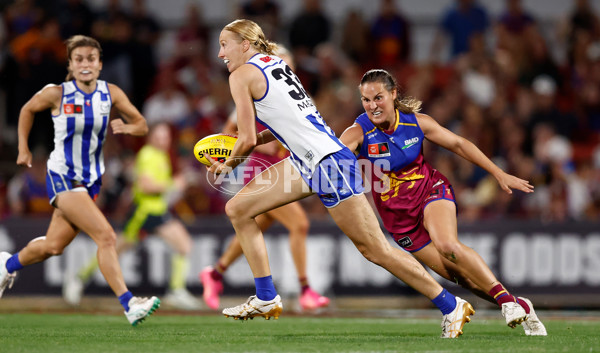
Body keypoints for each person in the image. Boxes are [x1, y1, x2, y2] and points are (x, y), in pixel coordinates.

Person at [208, 19, 473, 338]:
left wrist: (227, 165)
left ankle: (450, 304)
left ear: (245, 45)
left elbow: (246, 139)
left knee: (376, 250)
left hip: (326, 163)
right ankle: (266, 297)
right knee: (238, 209)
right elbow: (289, 123)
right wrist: (250, 142)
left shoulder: (241, 75)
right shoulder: (274, 62)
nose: (220, 52)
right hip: (310, 158)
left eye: (225, 44)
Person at [339, 68, 547, 336]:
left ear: (392, 94)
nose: (372, 106)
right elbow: (331, 155)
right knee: (461, 278)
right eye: (366, 100)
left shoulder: (416, 122)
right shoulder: (358, 132)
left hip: (430, 192)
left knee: (448, 246)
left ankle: (506, 303)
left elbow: (459, 144)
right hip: (399, 220)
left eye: (378, 98)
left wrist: (498, 173)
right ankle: (519, 304)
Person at [0, 35, 160, 326]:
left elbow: (142, 124)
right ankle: (129, 304)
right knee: (107, 236)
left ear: (100, 64)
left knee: (52, 246)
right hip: (62, 176)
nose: (85, 64)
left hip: (91, 182)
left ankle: (6, 265)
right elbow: (26, 110)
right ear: (71, 65)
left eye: (91, 59)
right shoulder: (57, 93)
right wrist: (23, 148)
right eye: (79, 59)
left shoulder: (110, 93)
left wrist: (126, 127)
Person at [200, 45, 330, 312]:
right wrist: (260, 145)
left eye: (288, 63)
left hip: (284, 168)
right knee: (299, 224)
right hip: (262, 170)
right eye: (282, 61)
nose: (285, 68)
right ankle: (305, 290)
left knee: (258, 223)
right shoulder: (255, 91)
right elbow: (229, 134)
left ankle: (215, 272)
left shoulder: (291, 95)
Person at [63, 122, 201, 310]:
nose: (163, 140)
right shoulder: (148, 155)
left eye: (166, 136)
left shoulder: (161, 155)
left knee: (183, 245)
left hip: (157, 212)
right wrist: (174, 184)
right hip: (144, 212)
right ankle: (78, 278)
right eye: (159, 136)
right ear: (151, 137)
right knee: (116, 248)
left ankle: (176, 290)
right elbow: (145, 186)